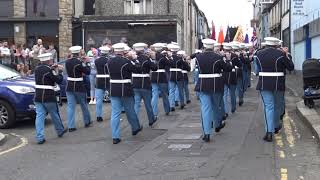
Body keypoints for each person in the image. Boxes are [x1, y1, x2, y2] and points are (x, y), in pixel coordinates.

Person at [255, 37, 294, 142]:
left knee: (268, 107)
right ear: (276, 44)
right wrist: (286, 55)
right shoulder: (281, 54)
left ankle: (269, 132)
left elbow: (259, 68)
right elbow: (291, 67)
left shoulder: (258, 54)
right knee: (277, 105)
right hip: (278, 82)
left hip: (264, 83)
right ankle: (276, 126)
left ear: (266, 44)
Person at [195, 39, 232, 142]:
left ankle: (206, 133)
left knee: (205, 109)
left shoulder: (198, 57)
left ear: (204, 46)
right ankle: (217, 124)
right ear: (213, 46)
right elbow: (228, 69)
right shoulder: (218, 57)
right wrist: (228, 60)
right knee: (217, 106)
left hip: (203, 84)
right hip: (216, 84)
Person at [108, 43, 143, 144]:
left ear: (115, 51)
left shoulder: (109, 61)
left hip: (113, 89)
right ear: (123, 51)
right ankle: (135, 127)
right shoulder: (127, 61)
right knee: (130, 111)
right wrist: (134, 59)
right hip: (125, 89)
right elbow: (138, 69)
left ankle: (115, 136)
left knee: (115, 113)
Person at [34, 53, 66, 144]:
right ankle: (60, 131)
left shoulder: (36, 69)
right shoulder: (49, 70)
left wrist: (52, 68)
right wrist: (59, 71)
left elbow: (45, 73)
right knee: (54, 113)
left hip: (38, 95)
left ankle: (40, 137)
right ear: (49, 60)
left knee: (39, 116)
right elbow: (58, 80)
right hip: (48, 95)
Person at [65, 46, 92, 132]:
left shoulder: (67, 61)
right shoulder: (79, 62)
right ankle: (87, 121)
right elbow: (87, 72)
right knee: (83, 105)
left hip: (69, 85)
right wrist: (87, 63)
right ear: (79, 53)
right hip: (79, 85)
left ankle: (71, 126)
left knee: (70, 107)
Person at [132, 43, 158, 126]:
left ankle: (135, 122)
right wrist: (153, 59)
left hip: (135, 84)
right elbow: (155, 68)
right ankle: (151, 120)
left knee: (136, 104)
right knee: (147, 104)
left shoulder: (132, 60)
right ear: (143, 50)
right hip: (145, 84)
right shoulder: (147, 59)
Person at [222, 43, 242, 119]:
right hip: (232, 76)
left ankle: (226, 111)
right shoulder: (235, 56)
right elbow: (240, 65)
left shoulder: (221, 56)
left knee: (225, 94)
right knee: (232, 94)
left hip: (224, 76)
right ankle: (233, 108)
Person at [151, 43, 171, 118]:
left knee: (154, 94)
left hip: (153, 76)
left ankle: (154, 112)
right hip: (162, 77)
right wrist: (168, 57)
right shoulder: (163, 57)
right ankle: (167, 110)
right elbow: (169, 64)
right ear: (161, 49)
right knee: (164, 94)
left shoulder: (151, 56)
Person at [95, 46, 111, 122]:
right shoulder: (109, 60)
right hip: (108, 80)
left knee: (99, 100)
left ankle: (98, 116)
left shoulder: (96, 60)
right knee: (114, 99)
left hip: (99, 80)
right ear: (107, 53)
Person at [167, 43, 185, 111]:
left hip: (172, 75)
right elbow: (185, 66)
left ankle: (171, 105)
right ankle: (182, 103)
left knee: (171, 90)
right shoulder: (180, 58)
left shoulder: (169, 59)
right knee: (180, 90)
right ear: (177, 51)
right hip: (179, 75)